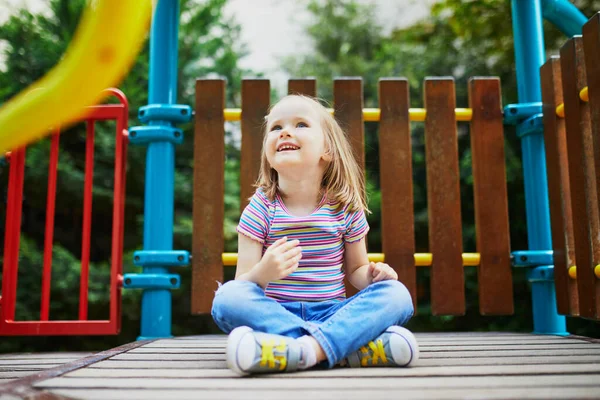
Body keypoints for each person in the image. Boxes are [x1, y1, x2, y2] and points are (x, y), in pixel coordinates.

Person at [211, 95, 418, 375]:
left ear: (328, 150)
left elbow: (356, 269)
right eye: (276, 128)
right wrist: (264, 272)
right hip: (275, 314)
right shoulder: (260, 209)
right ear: (268, 156)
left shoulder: (344, 207)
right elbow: (243, 285)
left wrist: (372, 276)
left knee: (397, 294)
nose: (285, 131)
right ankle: (344, 349)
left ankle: (299, 350)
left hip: (334, 313)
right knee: (226, 298)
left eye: (300, 124)